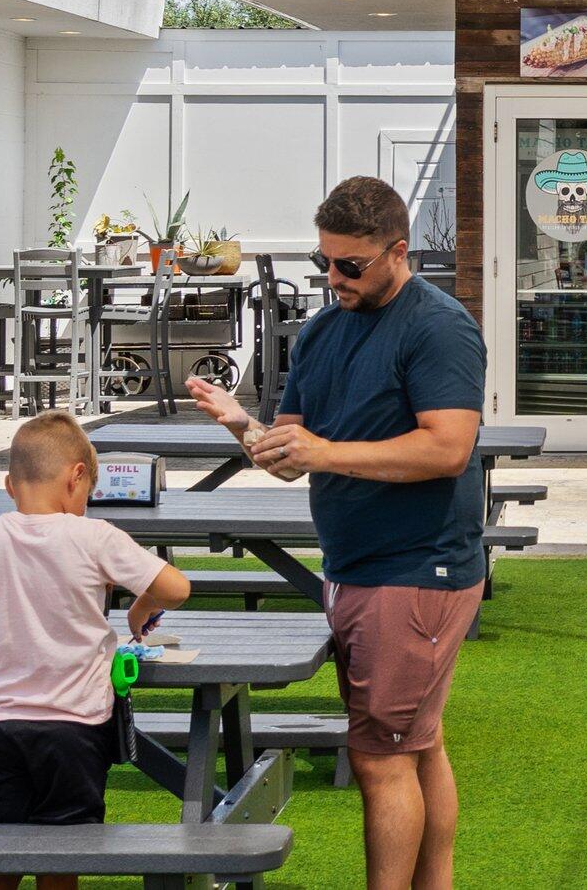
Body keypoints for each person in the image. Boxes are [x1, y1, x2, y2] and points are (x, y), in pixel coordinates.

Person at [187, 175, 486, 890]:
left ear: (397, 251)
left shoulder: (438, 326)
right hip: (358, 565)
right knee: (416, 741)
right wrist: (244, 426)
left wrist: (323, 453)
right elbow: (292, 452)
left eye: (350, 265)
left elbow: (447, 447)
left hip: (417, 569)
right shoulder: (323, 329)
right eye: (324, 261)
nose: (334, 277)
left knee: (382, 757)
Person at [0, 411, 191, 890]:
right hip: (76, 728)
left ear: (8, 483)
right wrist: (138, 608)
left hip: (3, 725)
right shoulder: (94, 536)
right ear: (76, 476)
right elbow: (176, 587)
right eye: (88, 490)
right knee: (63, 856)